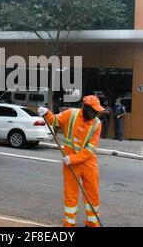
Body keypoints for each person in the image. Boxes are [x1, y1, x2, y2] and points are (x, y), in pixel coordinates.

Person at [38, 95, 103, 227]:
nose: (95, 114)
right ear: (85, 108)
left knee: (93, 193)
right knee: (71, 194)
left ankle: (92, 223)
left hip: (87, 163)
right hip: (70, 164)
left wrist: (72, 158)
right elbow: (55, 121)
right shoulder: (71, 114)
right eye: (93, 111)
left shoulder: (97, 124)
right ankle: (69, 223)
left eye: (97, 111)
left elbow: (90, 150)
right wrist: (46, 113)